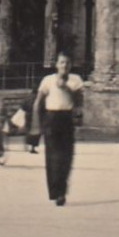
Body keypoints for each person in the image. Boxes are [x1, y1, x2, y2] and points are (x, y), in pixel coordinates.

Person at [34, 53, 83, 206]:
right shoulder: (48, 80)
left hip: (66, 118)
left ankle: (62, 190)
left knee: (67, 156)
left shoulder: (76, 80)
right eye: (62, 62)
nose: (64, 66)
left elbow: (79, 101)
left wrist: (67, 88)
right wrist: (35, 126)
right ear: (56, 65)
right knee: (53, 157)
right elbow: (38, 103)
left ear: (71, 64)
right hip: (51, 119)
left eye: (67, 63)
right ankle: (56, 192)